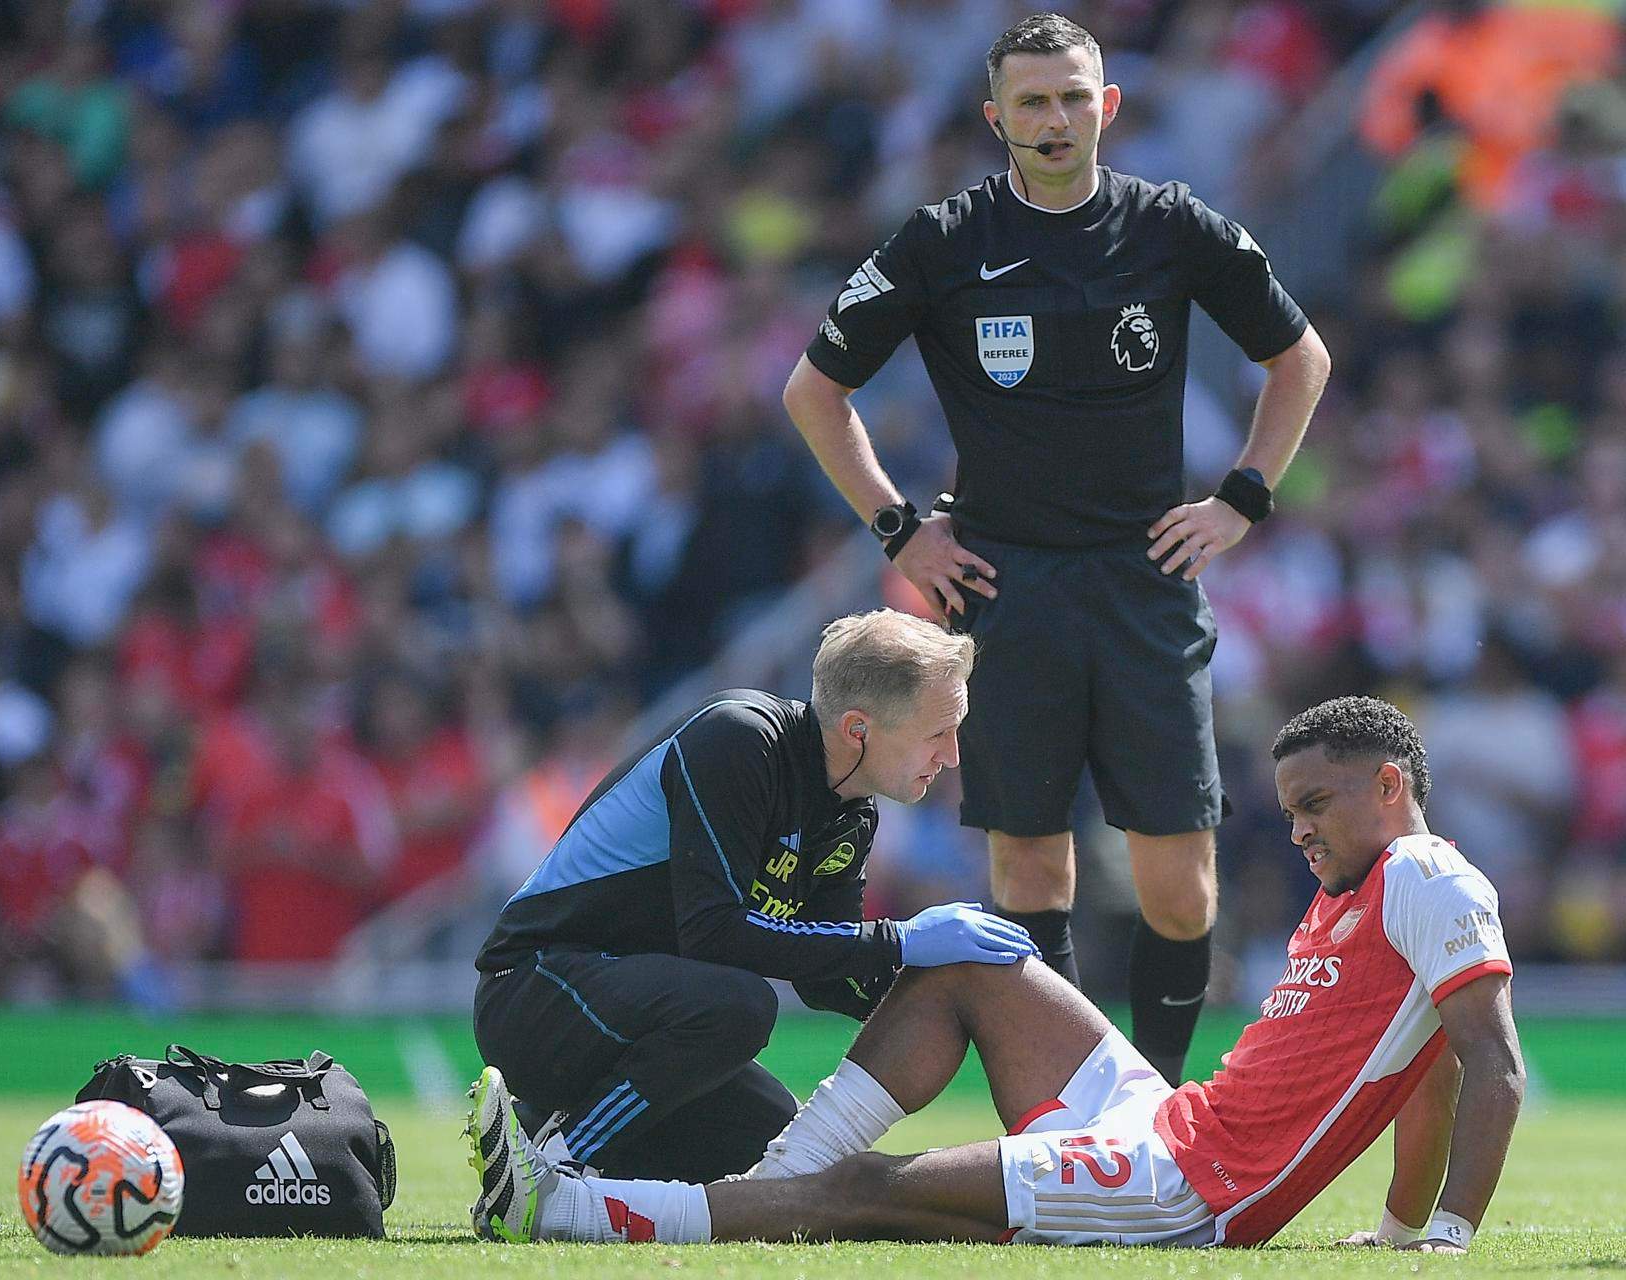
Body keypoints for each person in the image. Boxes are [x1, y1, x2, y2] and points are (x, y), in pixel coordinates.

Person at [781, 12, 1334, 1083]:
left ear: (1107, 107)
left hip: (1146, 580)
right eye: (1031, 101)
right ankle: (1069, 1106)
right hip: (1006, 584)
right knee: (1031, 866)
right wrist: (902, 529)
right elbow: (814, 393)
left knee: (1183, 883)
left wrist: (1240, 499)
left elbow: (1299, 357)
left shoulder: (1170, 226)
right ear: (995, 118)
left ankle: (1163, 1101)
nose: (1054, 118)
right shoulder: (943, 241)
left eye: (1073, 96)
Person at [469, 696, 1523, 1253]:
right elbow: (1423, 1071)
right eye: (1289, 808)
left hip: (1187, 1187)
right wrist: (1393, 1226)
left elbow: (1489, 1064)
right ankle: (770, 1178)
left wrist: (1443, 1235)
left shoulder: (1427, 874)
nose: (1296, 829)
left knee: (860, 1193)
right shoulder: (1359, 893)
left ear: (1391, 784)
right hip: (1165, 1118)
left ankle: (571, 1210)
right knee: (972, 957)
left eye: (1318, 804)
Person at [471, 609, 1037, 1184]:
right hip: (532, 992)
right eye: (938, 732)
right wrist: (903, 939)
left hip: (628, 1020)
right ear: (858, 728)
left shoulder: (853, 811)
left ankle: (545, 1122)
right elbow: (714, 933)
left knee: (790, 1167)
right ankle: (547, 1167)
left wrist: (955, 993)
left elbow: (827, 976)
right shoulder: (740, 740)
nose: (953, 756)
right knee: (740, 1006)